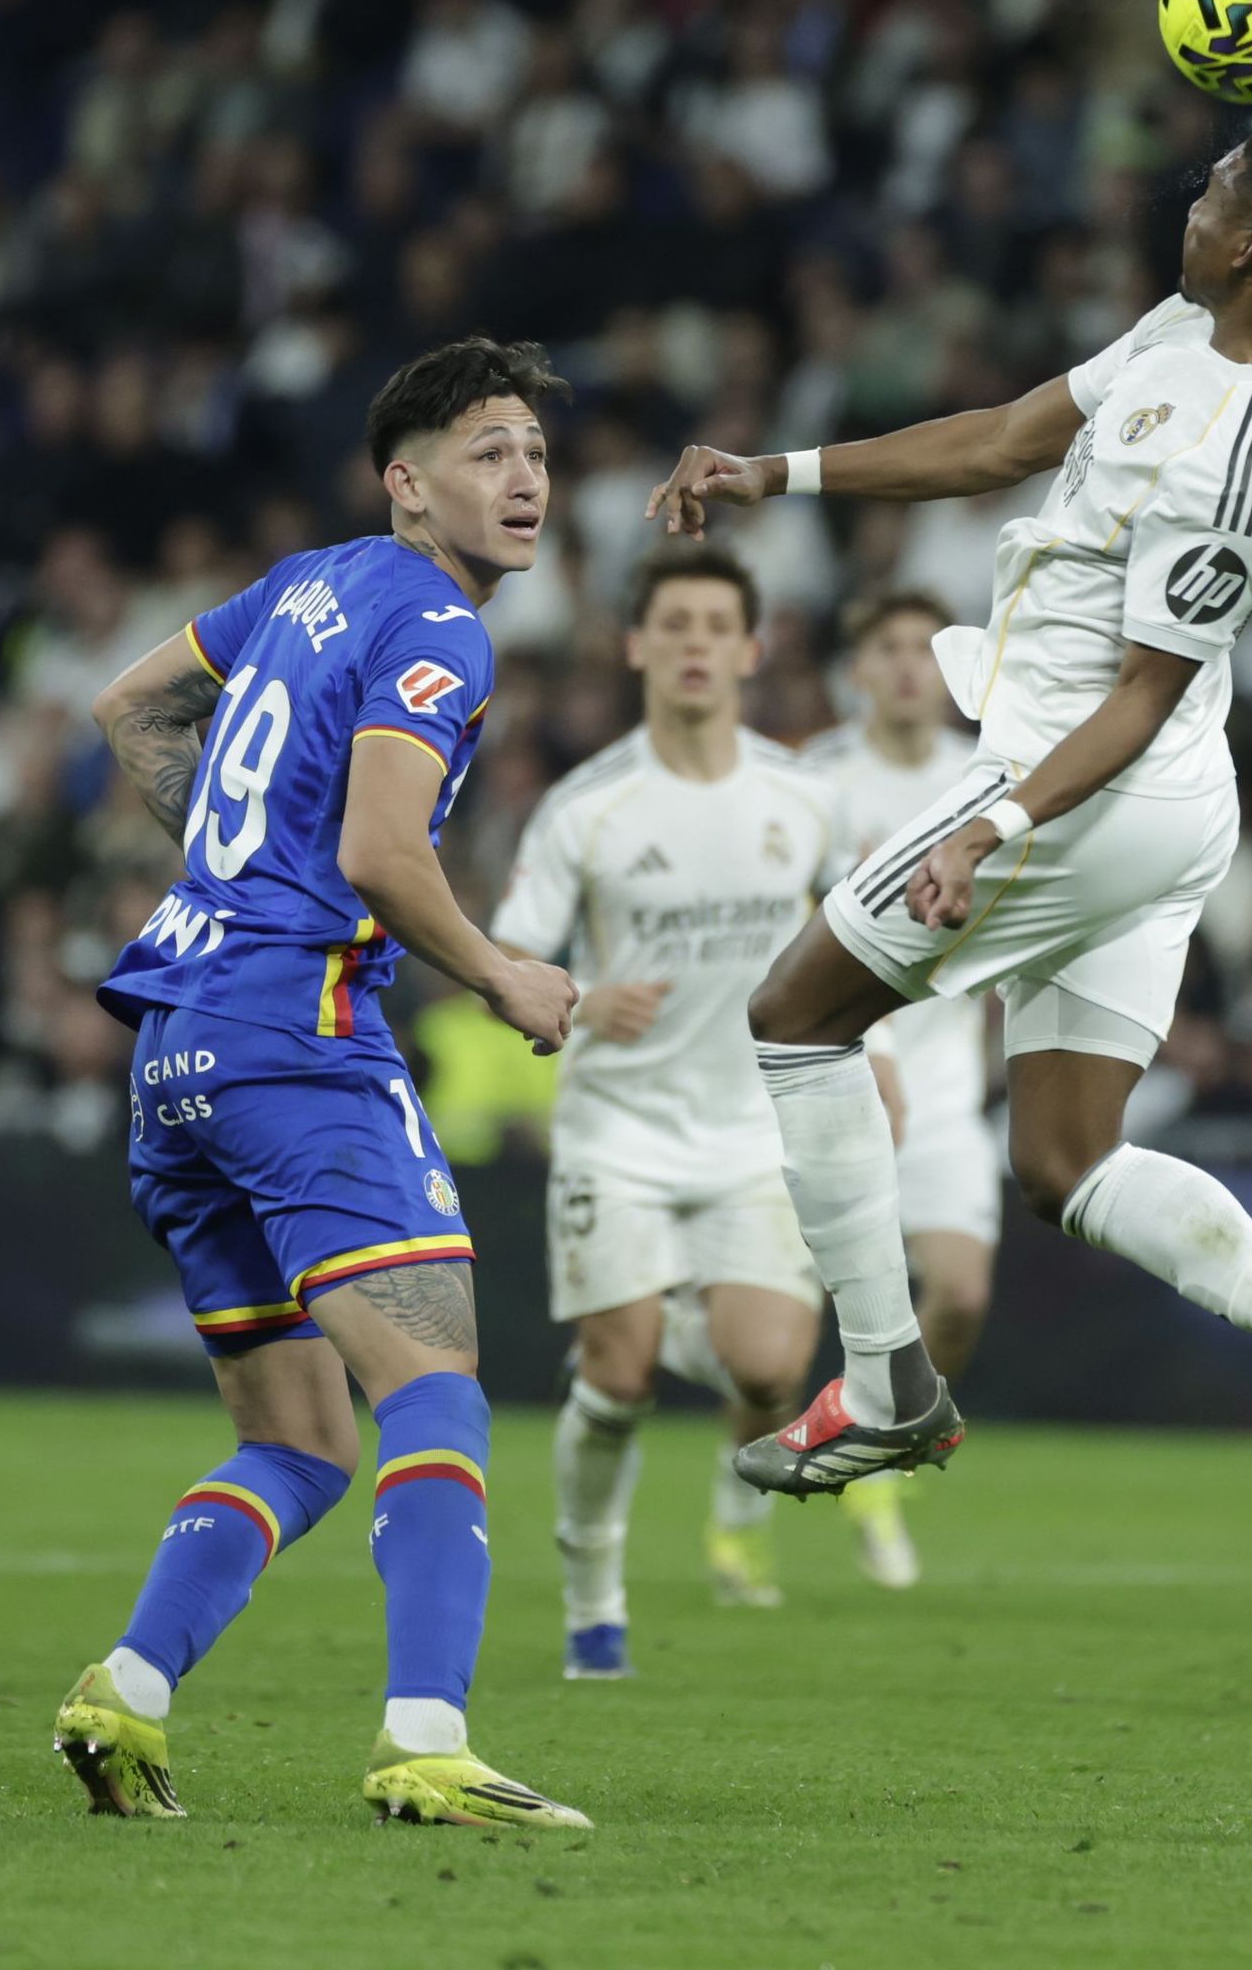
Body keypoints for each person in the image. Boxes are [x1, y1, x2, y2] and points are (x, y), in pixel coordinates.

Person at [648, 128, 1252, 1562]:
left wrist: (997, 827)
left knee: (793, 1018)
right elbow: (1015, 435)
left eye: (1210, 198)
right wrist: (779, 474)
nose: (1186, 210)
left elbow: (1138, 696)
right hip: (1151, 795)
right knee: (1066, 1161)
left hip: (1088, 788)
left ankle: (888, 1384)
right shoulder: (1189, 326)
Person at [54, 337, 593, 1830]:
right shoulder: (438, 621)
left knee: (297, 1441)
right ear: (407, 484)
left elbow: (126, 708)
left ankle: (126, 1695)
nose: (527, 478)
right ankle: (426, 1742)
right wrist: (504, 975)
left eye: (537, 454)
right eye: (490, 451)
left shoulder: (303, 584)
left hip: (176, 1043)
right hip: (299, 1039)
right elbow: (376, 855)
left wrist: (238, 872)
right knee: (435, 1383)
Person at [490, 548, 833, 1678]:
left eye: (714, 625)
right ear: (636, 646)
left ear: (750, 649)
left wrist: (864, 1045)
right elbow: (513, 954)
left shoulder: (801, 796)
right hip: (618, 1128)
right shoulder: (588, 808)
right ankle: (593, 1600)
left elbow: (863, 937)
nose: (693, 643)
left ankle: (657, 1317)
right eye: (671, 624)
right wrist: (580, 997)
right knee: (622, 1379)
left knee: (771, 1375)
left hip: (751, 1128)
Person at [804, 589, 996, 1590]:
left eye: (927, 647)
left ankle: (880, 1441)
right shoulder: (816, 781)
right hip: (829, 1073)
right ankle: (756, 1488)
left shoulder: (991, 772)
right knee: (783, 1315)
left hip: (948, 1086)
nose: (911, 665)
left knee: (958, 1293)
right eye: (888, 645)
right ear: (858, 667)